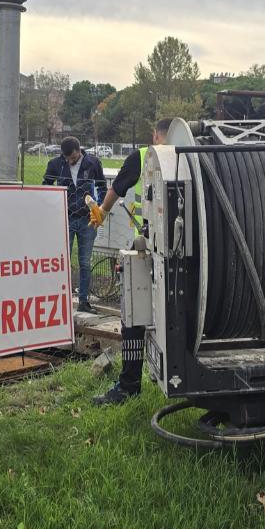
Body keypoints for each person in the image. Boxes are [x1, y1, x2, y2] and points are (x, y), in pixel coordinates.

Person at [90, 119, 172, 405]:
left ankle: (129, 386)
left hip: (147, 252)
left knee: (134, 318)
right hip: (179, 253)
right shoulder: (188, 155)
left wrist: (101, 211)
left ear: (155, 135)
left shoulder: (141, 156)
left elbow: (117, 189)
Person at [43, 136, 107, 313]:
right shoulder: (56, 164)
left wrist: (100, 208)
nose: (69, 161)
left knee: (85, 262)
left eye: (71, 158)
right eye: (66, 158)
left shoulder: (93, 163)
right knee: (62, 261)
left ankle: (84, 301)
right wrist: (53, 205)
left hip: (88, 220)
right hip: (65, 219)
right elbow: (45, 186)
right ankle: (60, 300)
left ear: (79, 151)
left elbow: (102, 187)